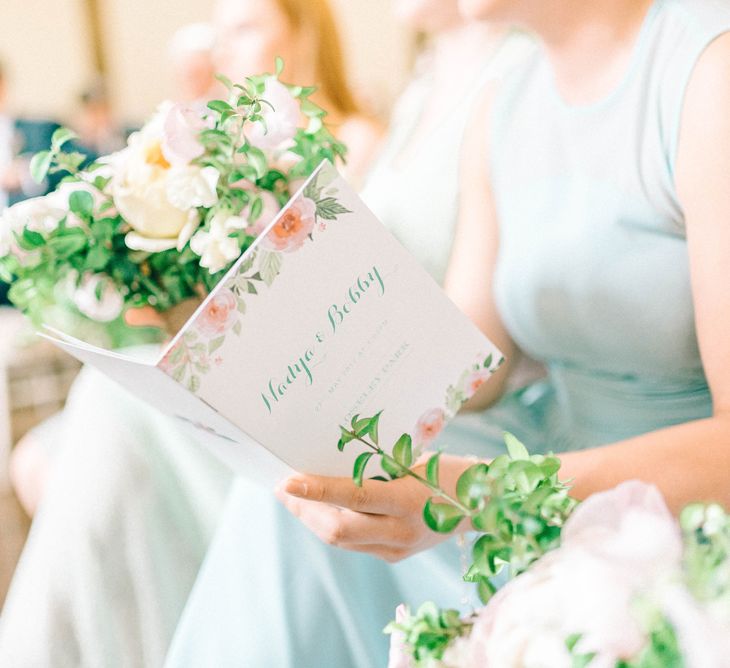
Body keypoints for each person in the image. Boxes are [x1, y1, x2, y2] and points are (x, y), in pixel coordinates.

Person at [162, 0, 730, 666]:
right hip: (550, 458)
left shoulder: (706, 73)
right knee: (293, 496)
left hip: (680, 508)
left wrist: (477, 495)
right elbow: (467, 370)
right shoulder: (502, 103)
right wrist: (276, 324)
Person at [0, 2, 380, 667]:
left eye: (245, 29)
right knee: (84, 424)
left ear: (306, 31)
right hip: (242, 381)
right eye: (219, 32)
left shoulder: (357, 140)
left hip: (318, 390)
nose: (224, 50)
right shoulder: (232, 159)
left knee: (105, 414)